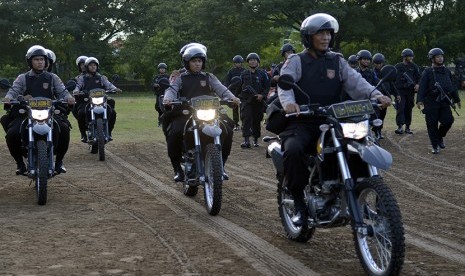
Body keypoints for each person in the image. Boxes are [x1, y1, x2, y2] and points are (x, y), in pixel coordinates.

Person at [277, 13, 391, 226]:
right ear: (308, 36)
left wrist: (376, 95)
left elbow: (357, 84)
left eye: (328, 33)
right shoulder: (296, 61)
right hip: (304, 120)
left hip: (336, 120)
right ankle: (300, 204)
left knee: (360, 143)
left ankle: (358, 193)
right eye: (321, 33)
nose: (326, 37)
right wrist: (289, 104)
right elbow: (285, 86)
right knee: (293, 150)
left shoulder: (337, 61)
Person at [163, 45, 240, 182]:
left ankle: (220, 165)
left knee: (227, 127)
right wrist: (168, 99)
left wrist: (232, 98)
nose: (197, 64)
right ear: (187, 63)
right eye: (194, 61)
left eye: (199, 61)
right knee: (175, 131)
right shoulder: (180, 78)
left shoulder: (209, 77)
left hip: (210, 111)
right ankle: (177, 168)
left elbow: (222, 90)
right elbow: (172, 89)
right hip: (186, 112)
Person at [3, 45, 75, 175]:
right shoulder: (22, 78)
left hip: (49, 113)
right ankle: (20, 164)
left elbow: (63, 92)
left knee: (64, 129)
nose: (40, 62)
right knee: (12, 134)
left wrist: (69, 98)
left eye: (42, 59)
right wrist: (11, 98)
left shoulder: (53, 77)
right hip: (26, 113)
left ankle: (59, 162)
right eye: (36, 59)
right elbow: (13, 91)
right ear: (30, 61)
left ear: (46, 61)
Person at [416, 48, 461, 154]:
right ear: (432, 59)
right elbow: (422, 86)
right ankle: (435, 145)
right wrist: (419, 100)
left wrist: (457, 99)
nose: (440, 58)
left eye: (441, 56)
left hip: (445, 101)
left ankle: (440, 136)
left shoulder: (447, 71)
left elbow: (452, 86)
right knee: (432, 124)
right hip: (431, 102)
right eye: (438, 56)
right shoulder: (427, 72)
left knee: (448, 121)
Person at [73, 57, 121, 143]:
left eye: (94, 65)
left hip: (101, 100)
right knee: (81, 113)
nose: (93, 67)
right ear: (87, 67)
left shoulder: (101, 77)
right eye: (91, 65)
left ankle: (109, 131)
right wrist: (76, 91)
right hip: (87, 100)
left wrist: (115, 89)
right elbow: (78, 86)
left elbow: (109, 85)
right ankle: (83, 134)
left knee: (112, 112)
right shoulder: (82, 78)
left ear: (97, 66)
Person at [238, 52, 270, 148]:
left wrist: (262, 95)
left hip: (258, 101)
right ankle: (246, 140)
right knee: (246, 118)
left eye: (254, 60)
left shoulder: (263, 74)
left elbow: (267, 86)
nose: (252, 62)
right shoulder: (243, 74)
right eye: (250, 60)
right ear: (248, 62)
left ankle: (255, 139)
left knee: (257, 120)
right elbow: (239, 87)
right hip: (246, 100)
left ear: (258, 62)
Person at [373, 53, 400, 139]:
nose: (378, 65)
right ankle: (376, 131)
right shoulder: (372, 73)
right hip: (375, 98)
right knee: (375, 115)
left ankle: (379, 131)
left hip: (385, 98)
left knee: (382, 115)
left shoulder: (386, 72)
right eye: (377, 63)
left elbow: (391, 84)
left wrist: (397, 94)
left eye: (380, 63)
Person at [394, 48, 421, 134]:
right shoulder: (397, 67)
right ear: (404, 57)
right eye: (409, 57)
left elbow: (419, 78)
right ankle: (400, 126)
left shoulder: (414, 66)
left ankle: (407, 127)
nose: (411, 58)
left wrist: (417, 84)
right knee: (400, 108)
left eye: (412, 57)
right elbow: (393, 78)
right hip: (400, 91)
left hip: (410, 91)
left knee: (408, 108)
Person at [224, 55, 245, 131]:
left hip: (242, 93)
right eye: (236, 63)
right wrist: (228, 91)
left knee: (243, 109)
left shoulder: (244, 71)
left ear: (241, 63)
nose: (238, 64)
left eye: (239, 63)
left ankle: (244, 124)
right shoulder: (231, 71)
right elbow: (227, 82)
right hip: (233, 93)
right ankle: (236, 124)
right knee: (234, 109)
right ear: (234, 63)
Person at [71, 55, 88, 130]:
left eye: (84, 64)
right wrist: (76, 91)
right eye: (81, 64)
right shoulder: (77, 78)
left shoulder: (97, 76)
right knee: (76, 109)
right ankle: (83, 131)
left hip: (95, 98)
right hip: (82, 100)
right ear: (79, 66)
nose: (83, 66)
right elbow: (76, 87)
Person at [153, 62, 169, 127]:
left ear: (165, 69)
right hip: (159, 95)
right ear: (159, 69)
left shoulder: (168, 77)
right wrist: (155, 86)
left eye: (163, 68)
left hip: (167, 95)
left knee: (167, 108)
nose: (162, 70)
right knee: (159, 108)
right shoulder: (156, 77)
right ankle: (160, 122)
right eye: (161, 68)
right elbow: (153, 86)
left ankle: (167, 121)